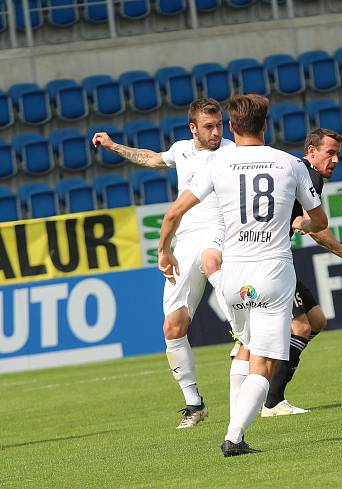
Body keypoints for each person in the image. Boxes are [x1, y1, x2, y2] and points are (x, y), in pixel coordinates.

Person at [158, 93, 328, 457]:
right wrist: (299, 221)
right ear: (265, 126)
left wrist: (163, 251)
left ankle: (229, 422)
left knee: (245, 348)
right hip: (272, 272)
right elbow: (319, 221)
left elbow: (173, 214)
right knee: (262, 365)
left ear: (232, 127)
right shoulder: (290, 164)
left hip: (232, 278)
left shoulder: (218, 166)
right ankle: (234, 437)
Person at [92, 98, 233, 428]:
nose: (216, 132)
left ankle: (245, 338)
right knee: (172, 327)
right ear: (193, 128)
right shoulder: (182, 150)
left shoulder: (232, 151)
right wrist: (113, 146)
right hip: (185, 242)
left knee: (221, 277)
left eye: (220, 125)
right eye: (209, 127)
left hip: (221, 233)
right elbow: (153, 159)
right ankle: (194, 404)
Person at [228, 129, 342, 418]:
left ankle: (265, 398)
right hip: (265, 262)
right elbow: (316, 228)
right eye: (329, 153)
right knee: (300, 327)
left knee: (316, 320)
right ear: (311, 151)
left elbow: (302, 222)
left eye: (338, 155)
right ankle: (270, 402)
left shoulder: (299, 172)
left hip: (267, 261)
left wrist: (300, 224)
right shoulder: (307, 175)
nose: (334, 160)